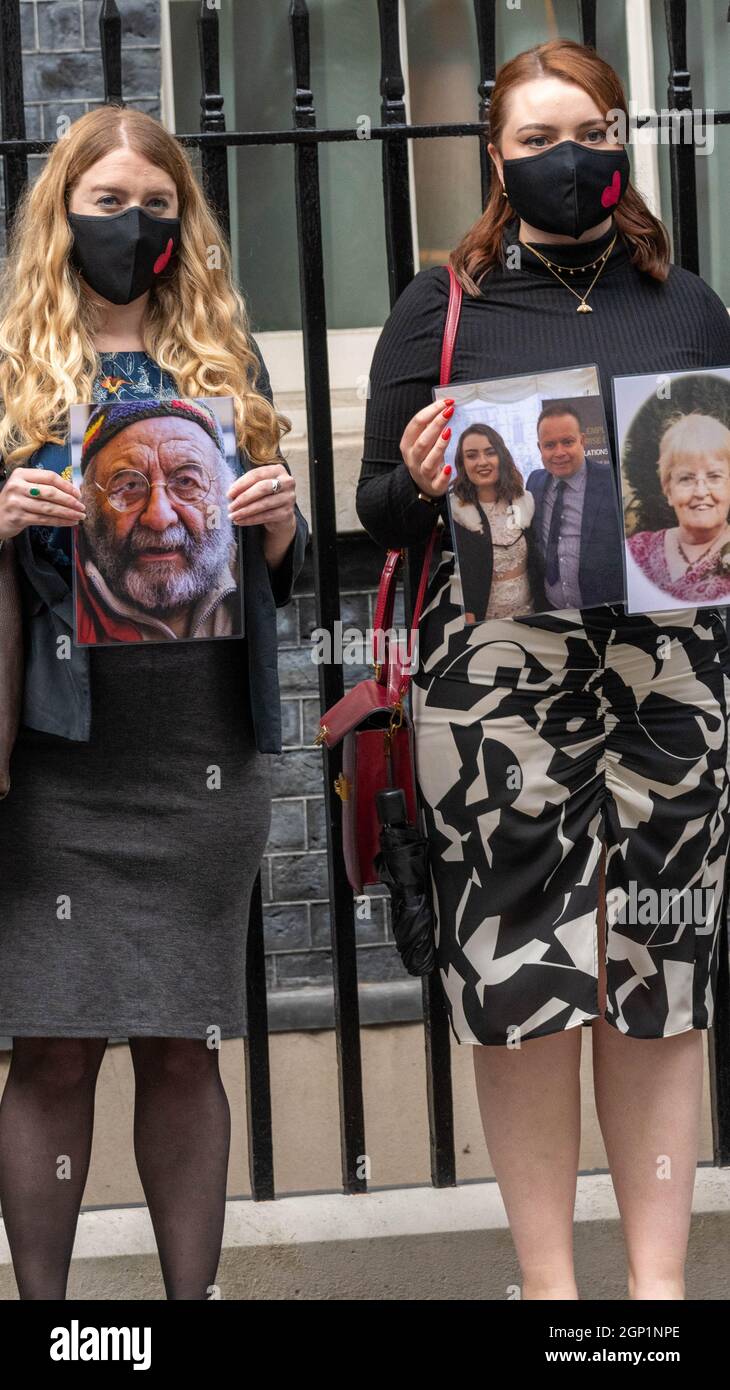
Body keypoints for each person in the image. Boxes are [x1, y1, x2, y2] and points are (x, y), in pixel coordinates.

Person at [357, 38, 730, 1301]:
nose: (567, 159)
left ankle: (657, 1298)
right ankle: (551, 1297)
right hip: (500, 696)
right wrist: (414, 475)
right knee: (522, 978)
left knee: (660, 977)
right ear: (497, 161)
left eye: (589, 132)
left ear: (622, 140)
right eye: (535, 140)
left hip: (671, 684)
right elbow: (375, 510)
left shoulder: (688, 303)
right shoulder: (439, 304)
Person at [0, 105, 308, 1300]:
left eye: (157, 207)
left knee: (186, 1044)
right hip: (59, 755)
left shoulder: (226, 361)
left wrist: (280, 525)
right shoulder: (16, 360)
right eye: (108, 205)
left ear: (186, 221)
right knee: (55, 1048)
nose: (134, 229)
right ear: (60, 216)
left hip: (199, 755)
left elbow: (275, 574)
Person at [73, 400, 244, 643]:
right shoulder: (54, 581)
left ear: (224, 491)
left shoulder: (255, 567)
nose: (159, 518)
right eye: (129, 486)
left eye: (186, 482)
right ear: (88, 501)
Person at [526, 401, 624, 607]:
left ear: (582, 441)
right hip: (550, 610)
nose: (559, 452)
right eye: (550, 445)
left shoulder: (614, 481)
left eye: (568, 442)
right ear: (539, 448)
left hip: (603, 614)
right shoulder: (534, 482)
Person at [627, 412, 730, 603]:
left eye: (714, 477)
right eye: (686, 478)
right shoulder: (637, 551)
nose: (700, 492)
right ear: (668, 490)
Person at [448, 422, 545, 619]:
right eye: (472, 455)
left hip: (530, 618)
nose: (482, 461)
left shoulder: (525, 501)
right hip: (484, 625)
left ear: (501, 456)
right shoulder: (455, 512)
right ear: (462, 463)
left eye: (490, 452)